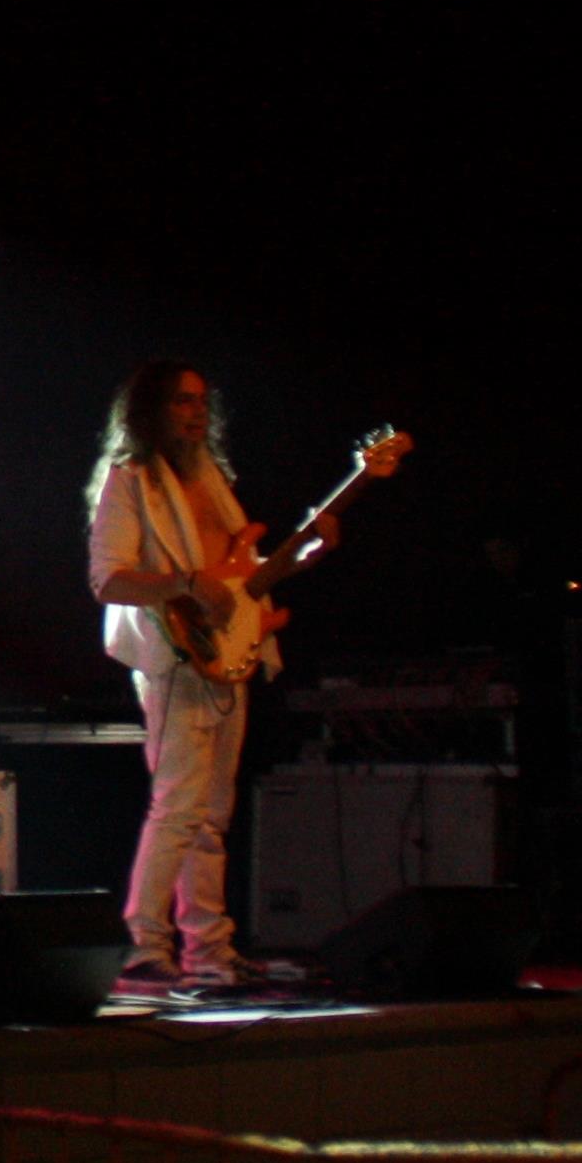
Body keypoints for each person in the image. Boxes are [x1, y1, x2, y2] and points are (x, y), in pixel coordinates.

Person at [83, 361, 341, 988]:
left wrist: (304, 555)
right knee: (179, 806)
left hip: (228, 658)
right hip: (174, 660)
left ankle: (208, 950)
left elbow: (242, 585)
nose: (196, 414)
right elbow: (108, 579)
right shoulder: (131, 482)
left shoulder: (215, 481)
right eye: (181, 403)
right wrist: (184, 584)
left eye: (201, 402)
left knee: (212, 814)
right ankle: (145, 942)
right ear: (151, 411)